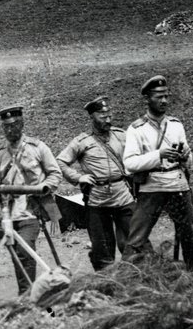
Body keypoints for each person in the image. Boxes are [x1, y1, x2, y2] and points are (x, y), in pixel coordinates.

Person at [0, 105, 62, 294]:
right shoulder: (1, 155)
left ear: (22, 124)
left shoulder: (37, 148)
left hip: (30, 214)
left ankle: (26, 295)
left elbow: (55, 174)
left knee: (24, 250)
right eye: (6, 126)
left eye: (14, 125)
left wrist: (43, 189)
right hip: (5, 216)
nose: (10, 129)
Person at [123, 75, 193, 272]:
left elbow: (190, 160)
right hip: (152, 187)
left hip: (178, 185)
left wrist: (185, 156)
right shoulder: (136, 129)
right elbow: (129, 163)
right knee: (136, 238)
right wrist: (158, 155)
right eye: (159, 96)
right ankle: (125, 278)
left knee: (190, 235)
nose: (164, 101)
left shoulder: (176, 125)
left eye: (166, 96)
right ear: (147, 99)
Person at [57, 96, 135, 271]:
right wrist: (78, 177)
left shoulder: (121, 136)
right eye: (102, 116)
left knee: (134, 243)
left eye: (109, 115)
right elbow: (60, 162)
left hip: (123, 195)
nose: (107, 119)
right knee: (102, 249)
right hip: (98, 200)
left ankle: (134, 280)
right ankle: (106, 284)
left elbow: (137, 154)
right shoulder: (82, 142)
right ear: (92, 117)